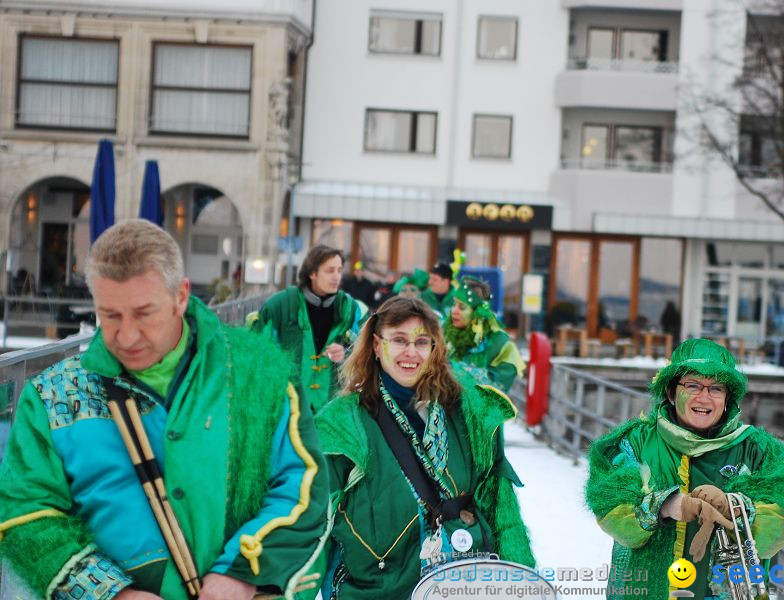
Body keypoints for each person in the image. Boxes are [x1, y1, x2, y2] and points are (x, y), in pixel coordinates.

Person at [0, 220, 328, 600]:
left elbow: (304, 486)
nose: (126, 335)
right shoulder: (49, 393)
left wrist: (241, 572)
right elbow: (25, 510)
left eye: (143, 314)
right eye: (110, 315)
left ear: (181, 296)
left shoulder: (262, 373)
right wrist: (108, 592)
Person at [315, 296, 534, 599]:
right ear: (377, 346)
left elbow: (501, 507)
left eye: (421, 342)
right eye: (399, 340)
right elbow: (311, 520)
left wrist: (523, 582)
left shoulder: (471, 414)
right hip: (377, 591)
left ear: (435, 349)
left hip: (462, 586)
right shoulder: (342, 424)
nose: (410, 352)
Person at [585, 338, 784, 599]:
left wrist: (733, 506)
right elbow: (612, 512)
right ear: (671, 392)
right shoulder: (636, 442)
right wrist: (665, 506)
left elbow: (783, 519)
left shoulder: (759, 450)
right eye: (693, 385)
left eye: (716, 388)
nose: (704, 397)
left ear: (727, 398)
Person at [250, 244, 363, 413]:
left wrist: (345, 353)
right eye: (329, 271)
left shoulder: (350, 309)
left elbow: (364, 350)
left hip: (332, 408)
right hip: (285, 406)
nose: (336, 277)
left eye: (339, 271)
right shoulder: (281, 304)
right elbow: (256, 347)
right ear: (312, 273)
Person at [444, 277, 525, 392]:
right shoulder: (447, 333)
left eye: (462, 307)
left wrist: (459, 372)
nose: (454, 311)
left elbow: (497, 389)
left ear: (477, 312)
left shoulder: (500, 343)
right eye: (454, 304)